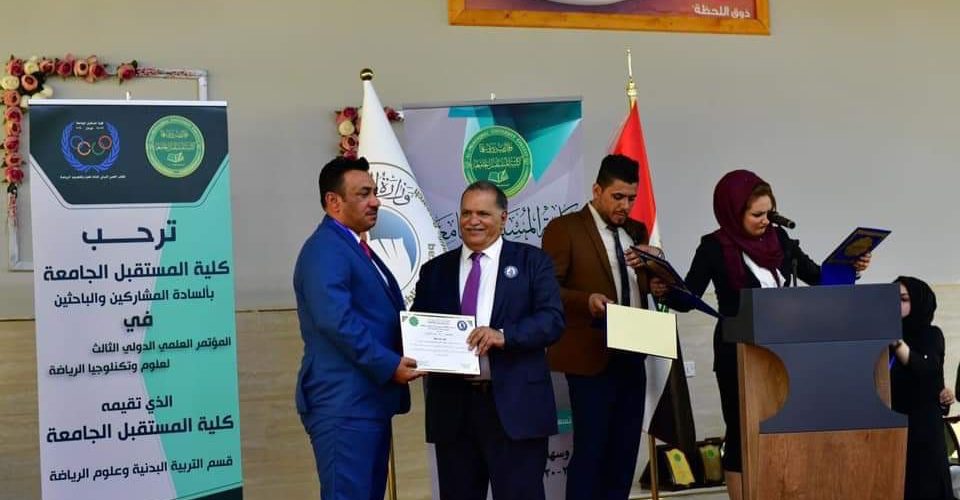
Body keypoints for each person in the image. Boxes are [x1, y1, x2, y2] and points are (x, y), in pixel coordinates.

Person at [668, 169, 869, 500]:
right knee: (741, 433)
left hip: (785, 351)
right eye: (757, 215)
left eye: (769, 213)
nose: (765, 221)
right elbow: (688, 296)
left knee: (784, 427)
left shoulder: (781, 240)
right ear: (734, 212)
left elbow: (817, 277)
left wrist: (851, 266)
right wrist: (662, 285)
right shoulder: (714, 247)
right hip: (738, 352)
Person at [412, 180, 565, 500]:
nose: (473, 221)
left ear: (504, 218)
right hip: (454, 411)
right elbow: (420, 326)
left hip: (516, 409)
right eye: (466, 213)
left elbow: (552, 321)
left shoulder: (533, 262)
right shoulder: (435, 271)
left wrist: (504, 336)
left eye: (483, 213)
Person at [292, 156, 423, 500]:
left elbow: (380, 315)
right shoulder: (325, 249)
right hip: (344, 405)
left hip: (367, 402)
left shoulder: (354, 246)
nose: (375, 202)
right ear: (333, 201)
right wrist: (389, 364)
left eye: (375, 192)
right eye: (364, 194)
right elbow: (336, 321)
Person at [541, 154, 663, 500]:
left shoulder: (636, 232)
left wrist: (656, 274)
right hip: (591, 359)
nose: (625, 205)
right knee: (591, 453)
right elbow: (548, 290)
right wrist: (587, 300)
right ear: (597, 190)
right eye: (617, 197)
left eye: (631, 198)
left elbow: (642, 286)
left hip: (634, 353)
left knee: (624, 454)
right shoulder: (565, 229)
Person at [890, 276, 956, 500]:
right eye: (891, 300)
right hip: (891, 430)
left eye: (903, 299)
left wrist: (897, 343)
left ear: (918, 302)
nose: (896, 305)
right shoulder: (880, 341)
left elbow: (927, 371)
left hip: (922, 432)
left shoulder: (931, 335)